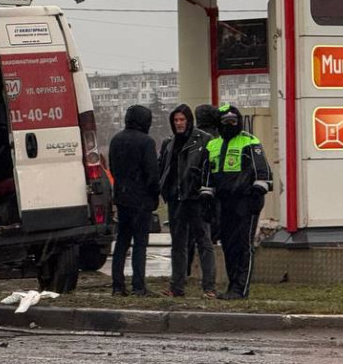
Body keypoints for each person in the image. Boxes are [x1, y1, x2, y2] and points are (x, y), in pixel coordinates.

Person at [202, 103, 272, 300]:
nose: (230, 124)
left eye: (234, 121)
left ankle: (240, 289)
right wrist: (206, 197)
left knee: (243, 245)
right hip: (223, 203)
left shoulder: (249, 141)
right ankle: (232, 286)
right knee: (228, 246)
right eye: (226, 121)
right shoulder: (213, 145)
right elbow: (207, 175)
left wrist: (256, 193)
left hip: (245, 201)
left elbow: (262, 171)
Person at [159, 104, 216, 298]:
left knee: (204, 241)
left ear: (189, 120)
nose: (179, 123)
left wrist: (204, 190)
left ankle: (209, 287)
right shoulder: (169, 143)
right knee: (178, 244)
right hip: (176, 198)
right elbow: (163, 167)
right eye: (175, 120)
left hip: (196, 198)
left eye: (182, 119)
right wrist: (163, 188)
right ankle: (176, 286)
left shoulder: (204, 140)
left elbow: (209, 167)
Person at [108, 104, 160, 296]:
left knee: (122, 242)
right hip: (141, 199)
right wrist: (154, 195)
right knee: (140, 244)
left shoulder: (116, 140)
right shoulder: (146, 142)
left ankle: (117, 285)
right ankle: (138, 285)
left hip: (122, 198)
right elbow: (152, 174)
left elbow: (113, 168)